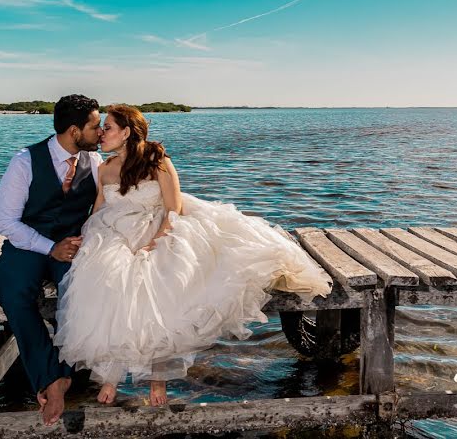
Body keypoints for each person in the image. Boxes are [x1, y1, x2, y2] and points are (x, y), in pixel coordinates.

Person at [53, 104, 332, 407]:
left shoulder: (158, 162)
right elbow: (99, 209)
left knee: (158, 284)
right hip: (114, 231)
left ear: (126, 132)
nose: (102, 133)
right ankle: (111, 373)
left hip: (158, 225)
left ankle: (157, 375)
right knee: (107, 280)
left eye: (108, 127)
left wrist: (155, 241)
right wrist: (90, 239)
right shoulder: (105, 168)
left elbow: (173, 208)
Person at [0, 94, 104, 425]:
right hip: (27, 243)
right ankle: (50, 378)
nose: (100, 133)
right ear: (74, 130)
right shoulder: (25, 161)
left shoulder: (96, 163)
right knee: (14, 294)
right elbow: (6, 222)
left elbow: (106, 209)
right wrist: (48, 247)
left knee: (78, 295)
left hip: (72, 245)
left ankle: (67, 374)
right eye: (95, 126)